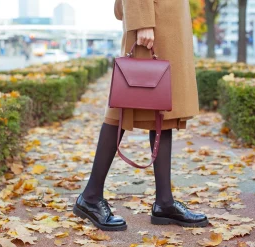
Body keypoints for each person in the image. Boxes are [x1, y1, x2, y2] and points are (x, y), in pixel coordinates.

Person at [73, 0, 208, 231]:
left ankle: (164, 202)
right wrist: (142, 21)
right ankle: (91, 196)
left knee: (163, 108)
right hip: (153, 21)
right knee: (123, 105)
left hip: (168, 20)